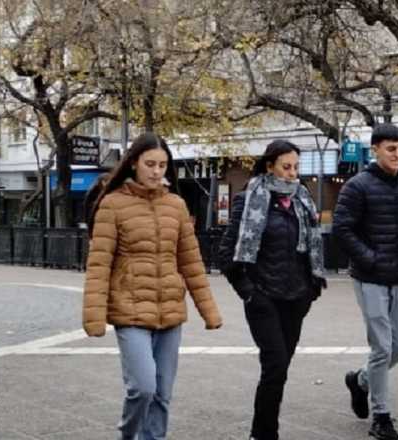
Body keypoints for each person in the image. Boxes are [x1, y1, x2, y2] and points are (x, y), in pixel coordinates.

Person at [82, 132, 223, 440]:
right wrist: (93, 316)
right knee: (142, 388)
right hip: (129, 311)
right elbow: (99, 265)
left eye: (162, 165)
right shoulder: (112, 205)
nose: (156, 171)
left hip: (170, 312)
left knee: (162, 394)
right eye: (150, 164)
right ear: (133, 163)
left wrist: (209, 311)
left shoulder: (176, 205)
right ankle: (129, 435)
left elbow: (192, 263)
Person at [217, 140, 326, 440]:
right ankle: (264, 434)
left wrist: (311, 290)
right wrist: (249, 292)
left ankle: (262, 431)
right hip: (264, 297)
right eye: (286, 167)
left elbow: (312, 248)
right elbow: (227, 254)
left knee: (279, 369)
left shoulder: (303, 199)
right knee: (275, 365)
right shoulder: (249, 197)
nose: (292, 174)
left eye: (296, 168)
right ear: (270, 166)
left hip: (296, 298)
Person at [333, 123, 398, 440]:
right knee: (382, 348)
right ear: (376, 150)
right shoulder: (357, 186)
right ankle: (381, 416)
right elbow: (342, 230)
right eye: (391, 149)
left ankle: (359, 381)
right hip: (370, 277)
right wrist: (370, 259)